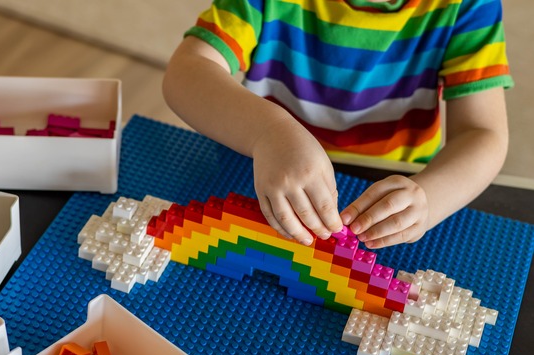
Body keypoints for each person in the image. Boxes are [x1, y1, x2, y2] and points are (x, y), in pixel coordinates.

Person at [163, 0, 512, 249]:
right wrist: (269, 132)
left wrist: (429, 199)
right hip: (259, 173)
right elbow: (186, 73)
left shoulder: (468, 6)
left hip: (386, 192)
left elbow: (482, 133)